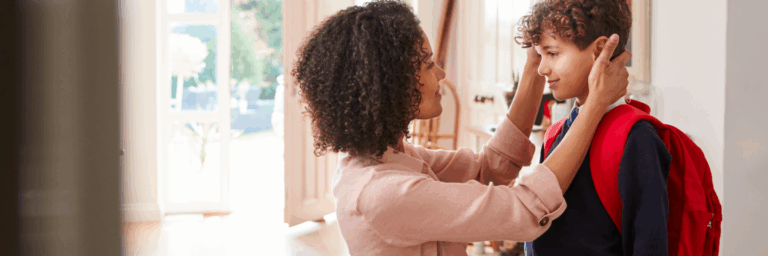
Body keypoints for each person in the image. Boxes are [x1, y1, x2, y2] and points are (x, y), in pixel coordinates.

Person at [291, 1, 630, 255]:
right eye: (426, 64)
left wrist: (531, 68)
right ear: (389, 84)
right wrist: (595, 104)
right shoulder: (385, 193)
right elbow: (526, 210)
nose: (439, 74)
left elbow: (488, 169)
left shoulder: (388, 159)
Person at [515, 0, 671, 255]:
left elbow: (649, 243)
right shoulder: (556, 134)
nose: (542, 68)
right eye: (540, 55)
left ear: (600, 50)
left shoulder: (636, 137)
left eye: (552, 53)